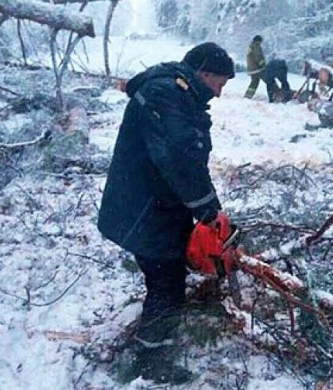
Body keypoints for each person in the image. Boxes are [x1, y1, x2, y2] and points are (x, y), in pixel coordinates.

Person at [97, 42, 235, 384]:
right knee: (167, 283)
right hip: (143, 208)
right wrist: (207, 209)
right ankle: (149, 362)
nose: (218, 94)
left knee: (166, 277)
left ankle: (151, 350)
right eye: (219, 84)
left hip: (153, 203)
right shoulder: (167, 94)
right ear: (204, 73)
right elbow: (179, 158)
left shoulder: (175, 93)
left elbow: (183, 156)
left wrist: (206, 208)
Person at [244, 35, 266, 99]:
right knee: (268, 80)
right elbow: (258, 56)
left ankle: (248, 95)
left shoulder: (251, 46)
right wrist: (263, 64)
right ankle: (277, 93)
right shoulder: (256, 46)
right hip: (257, 69)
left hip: (251, 69)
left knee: (254, 82)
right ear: (258, 41)